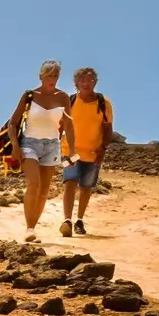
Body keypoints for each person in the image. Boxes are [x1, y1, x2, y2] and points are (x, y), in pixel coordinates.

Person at [6, 61, 70, 239]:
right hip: (29, 143)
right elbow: (12, 123)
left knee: (44, 190)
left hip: (52, 145)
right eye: (49, 75)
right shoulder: (30, 96)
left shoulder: (63, 98)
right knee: (34, 183)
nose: (53, 79)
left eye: (56, 75)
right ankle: (29, 228)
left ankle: (33, 227)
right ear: (41, 76)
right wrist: (15, 147)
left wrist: (71, 149)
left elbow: (68, 125)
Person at [59, 67, 112, 236]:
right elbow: (60, 125)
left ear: (95, 82)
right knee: (70, 182)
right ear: (76, 83)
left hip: (93, 153)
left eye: (89, 80)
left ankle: (79, 220)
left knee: (86, 187)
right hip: (69, 150)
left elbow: (108, 128)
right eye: (81, 80)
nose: (85, 83)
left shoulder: (104, 103)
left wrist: (102, 149)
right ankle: (67, 220)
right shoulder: (70, 101)